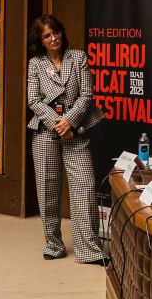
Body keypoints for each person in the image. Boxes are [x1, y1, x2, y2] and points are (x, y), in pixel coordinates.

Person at [25, 15, 103, 264]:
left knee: (85, 187)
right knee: (47, 188)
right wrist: (58, 125)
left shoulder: (78, 57)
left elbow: (86, 94)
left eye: (56, 32)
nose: (53, 38)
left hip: (75, 128)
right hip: (46, 130)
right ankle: (53, 244)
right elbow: (34, 100)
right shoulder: (35, 64)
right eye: (47, 35)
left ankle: (89, 249)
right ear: (40, 40)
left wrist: (68, 121)